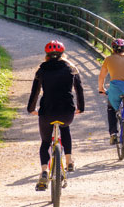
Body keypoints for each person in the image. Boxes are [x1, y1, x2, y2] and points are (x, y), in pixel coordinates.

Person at [27, 40, 84, 191]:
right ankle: (69, 161)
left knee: (46, 142)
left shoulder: (41, 70)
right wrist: (81, 108)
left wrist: (31, 109)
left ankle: (44, 172)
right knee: (65, 129)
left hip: (47, 112)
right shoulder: (71, 68)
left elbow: (35, 92)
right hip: (67, 112)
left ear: (46, 55)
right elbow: (79, 89)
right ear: (62, 54)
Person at [98, 38, 124, 144]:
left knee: (111, 109)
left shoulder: (108, 59)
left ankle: (113, 134)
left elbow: (102, 76)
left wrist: (101, 88)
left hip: (115, 88)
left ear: (113, 49)